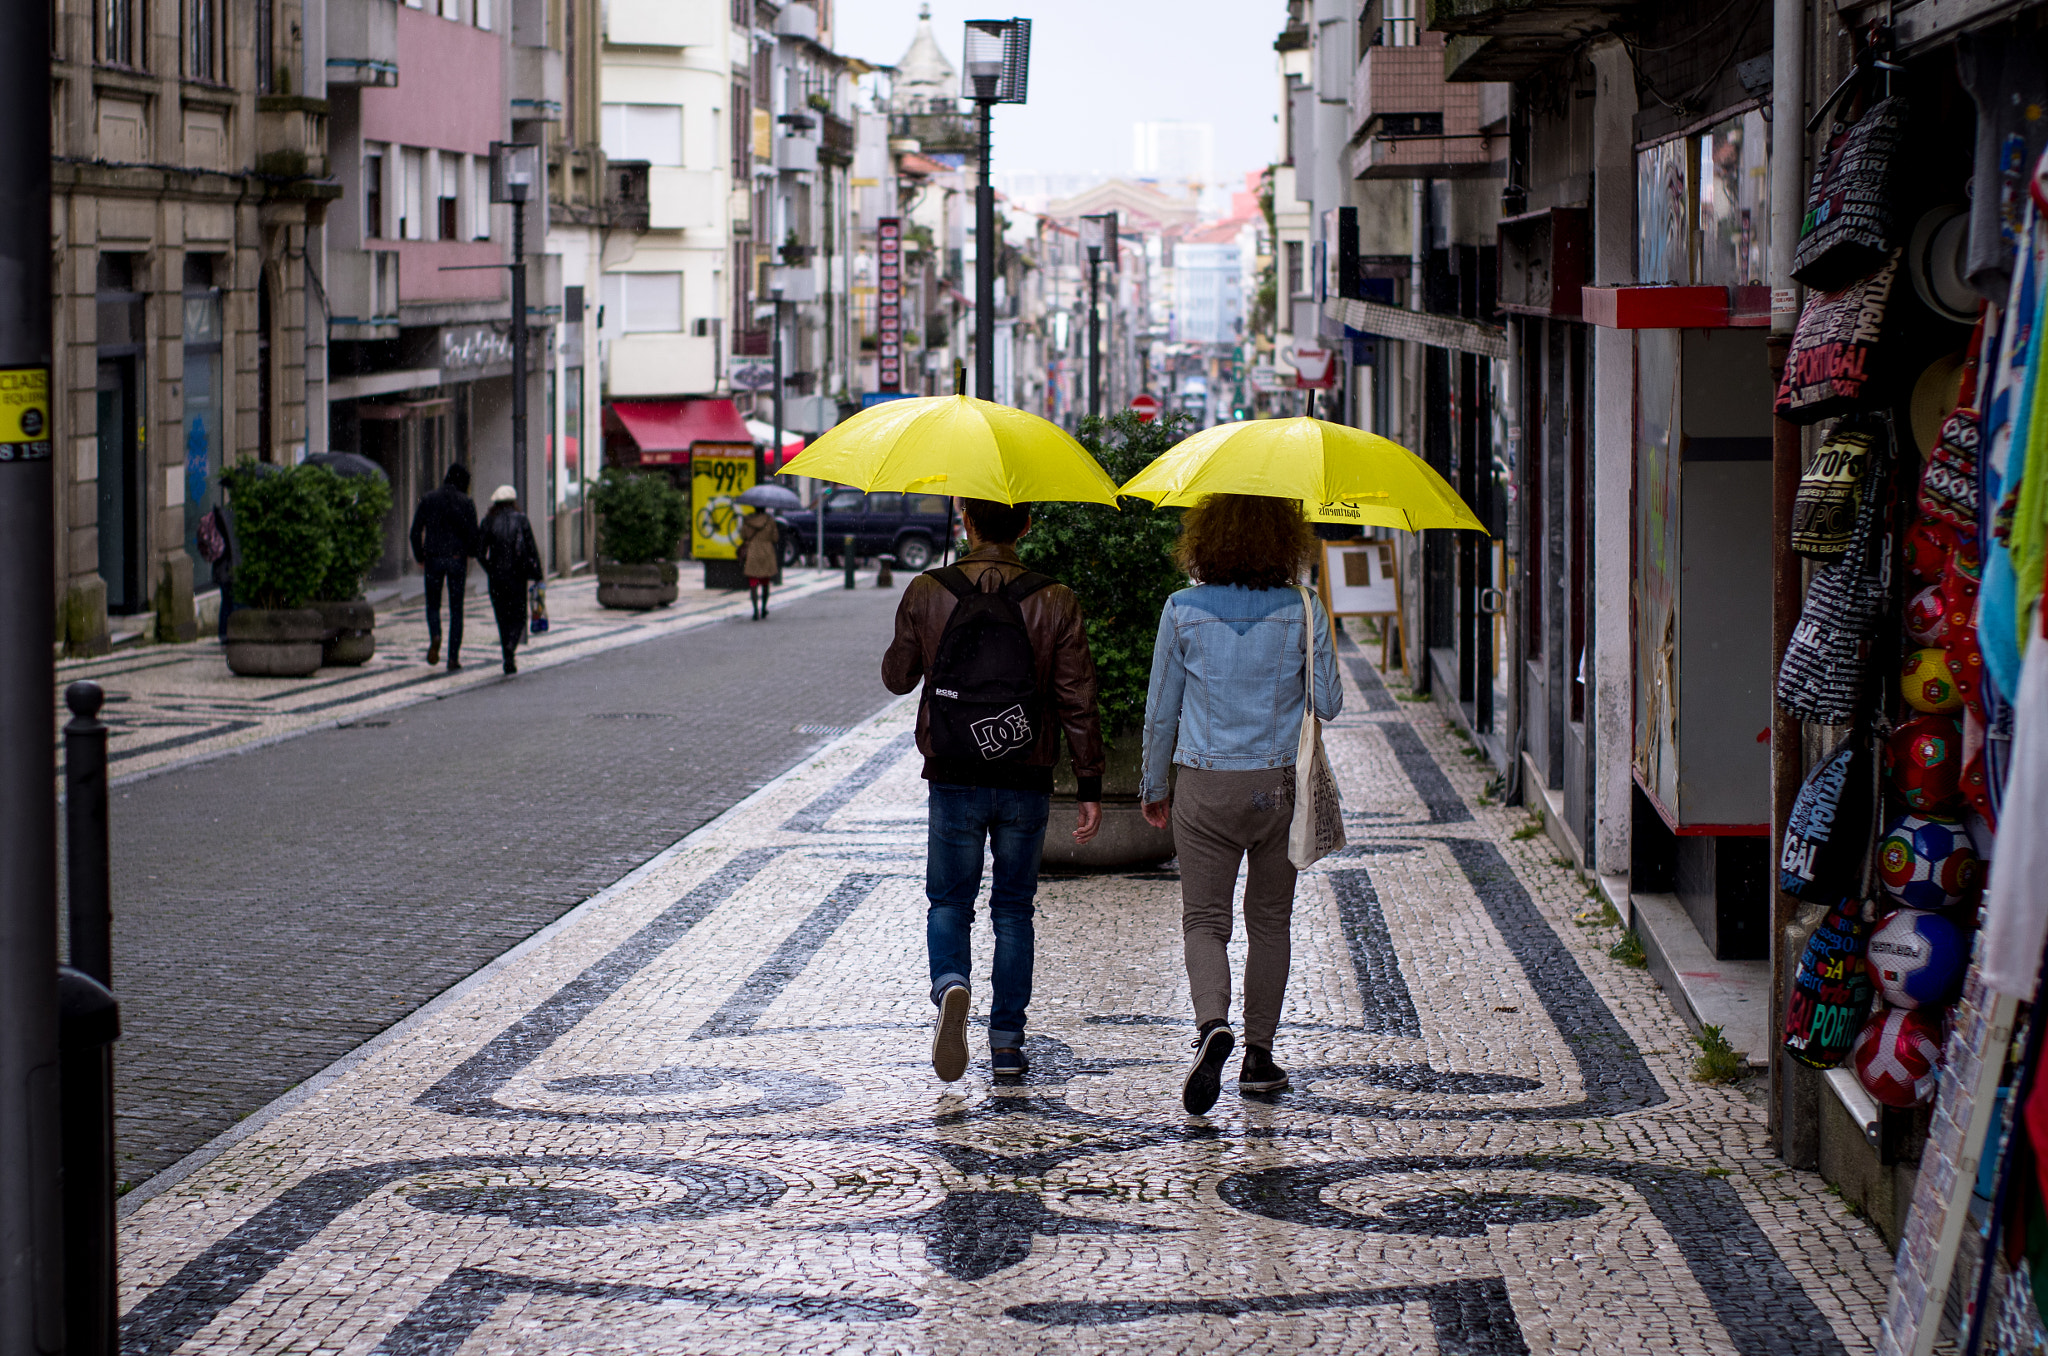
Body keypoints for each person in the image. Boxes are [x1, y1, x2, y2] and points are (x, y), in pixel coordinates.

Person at [883, 498, 1105, 1083]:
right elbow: (1076, 697)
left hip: (953, 772)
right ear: (1026, 525)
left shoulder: (928, 590)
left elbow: (895, 678)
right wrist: (1089, 781)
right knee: (1013, 908)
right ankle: (1006, 1043)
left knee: (949, 901)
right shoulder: (1055, 598)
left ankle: (950, 984)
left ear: (966, 522)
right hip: (1024, 775)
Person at [1138, 493, 1342, 1116]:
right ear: (1285, 541)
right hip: (1277, 788)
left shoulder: (1181, 609)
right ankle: (1258, 1054)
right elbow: (1328, 702)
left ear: (1205, 541)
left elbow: (1161, 712)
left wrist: (1154, 787)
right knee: (1270, 920)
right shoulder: (1304, 608)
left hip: (1204, 785)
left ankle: (1211, 1027)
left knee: (1205, 920)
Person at [409, 462, 478, 670]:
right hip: (457, 558)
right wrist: (471, 553)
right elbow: (473, 534)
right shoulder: (466, 502)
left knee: (433, 604)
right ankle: (453, 658)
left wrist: (420, 556)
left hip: (433, 558)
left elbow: (415, 531)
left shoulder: (429, 499)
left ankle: (436, 635)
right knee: (457, 609)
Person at [477, 485, 545, 675]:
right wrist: (537, 574)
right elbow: (531, 547)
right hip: (517, 575)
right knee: (519, 614)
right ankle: (510, 648)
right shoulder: (521, 519)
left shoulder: (488, 521)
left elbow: (480, 552)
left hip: (497, 577)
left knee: (501, 615)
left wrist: (490, 568)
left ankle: (507, 651)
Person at [739, 506, 780, 620]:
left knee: (753, 583)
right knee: (765, 582)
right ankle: (763, 608)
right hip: (766, 552)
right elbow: (775, 538)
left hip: (753, 552)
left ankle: (755, 610)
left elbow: (743, 535)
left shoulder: (748, 521)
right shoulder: (770, 520)